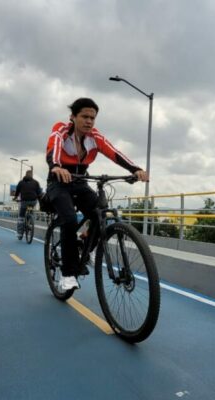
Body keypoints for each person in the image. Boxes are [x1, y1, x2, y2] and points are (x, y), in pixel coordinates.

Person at [46, 97, 148, 291]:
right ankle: (67, 274)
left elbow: (114, 153)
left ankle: (86, 244)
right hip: (58, 183)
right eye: (84, 116)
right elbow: (54, 148)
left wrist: (135, 169)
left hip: (79, 182)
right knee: (68, 220)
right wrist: (57, 166)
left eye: (93, 118)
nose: (89, 121)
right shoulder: (61, 131)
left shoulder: (95, 137)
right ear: (73, 117)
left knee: (101, 213)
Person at [13, 169, 43, 238]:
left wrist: (15, 198)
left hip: (24, 202)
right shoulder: (36, 182)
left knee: (21, 217)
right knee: (31, 211)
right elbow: (39, 193)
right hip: (33, 201)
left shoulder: (21, 182)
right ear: (32, 175)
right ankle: (31, 221)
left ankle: (20, 234)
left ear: (25, 174)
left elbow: (17, 192)